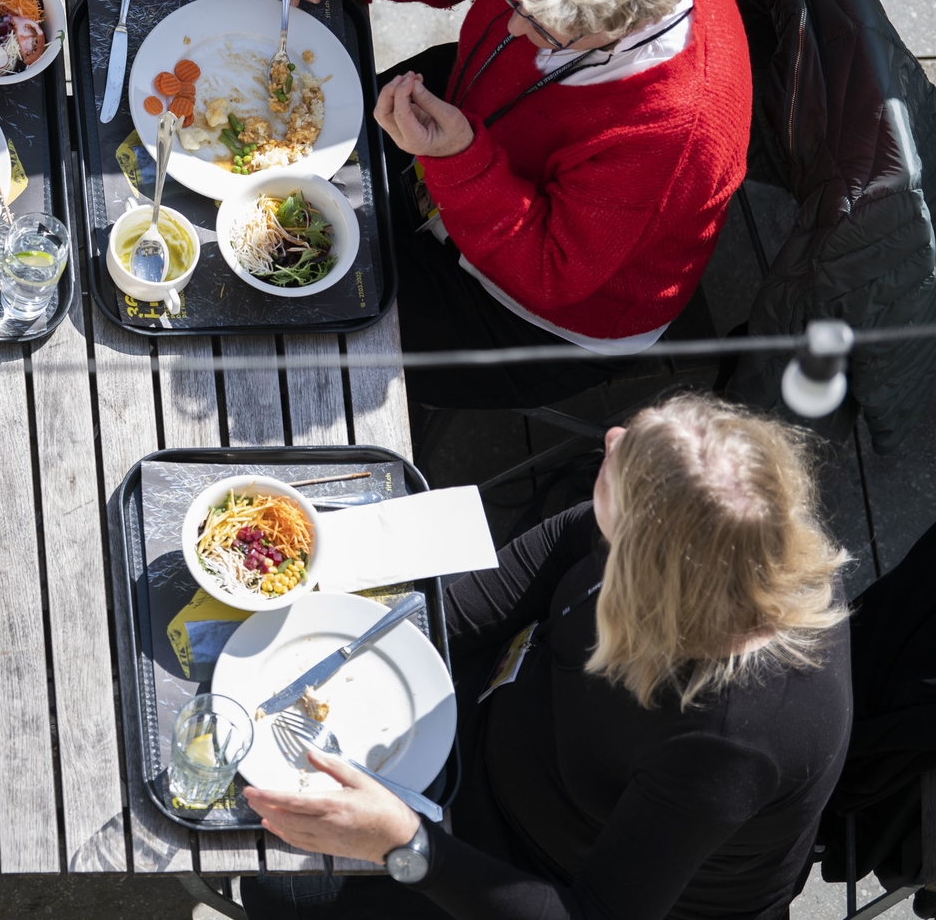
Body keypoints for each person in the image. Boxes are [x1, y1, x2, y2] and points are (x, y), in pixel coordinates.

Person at [240, 394, 852, 920]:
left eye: (620, 468)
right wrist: (404, 639)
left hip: (531, 867)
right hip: (494, 729)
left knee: (280, 884)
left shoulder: (726, 747)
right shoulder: (738, 540)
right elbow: (562, 543)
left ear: (643, 578)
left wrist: (404, 843)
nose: (611, 436)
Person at [266, 0, 752, 409]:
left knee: (300, 306)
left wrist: (458, 164)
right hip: (482, 128)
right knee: (282, 162)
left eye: (545, 27)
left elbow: (553, 269)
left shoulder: (675, 132)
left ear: (625, 21)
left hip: (533, 310)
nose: (512, 29)